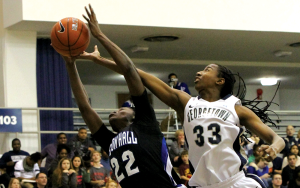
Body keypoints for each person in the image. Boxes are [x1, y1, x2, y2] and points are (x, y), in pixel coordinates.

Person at [78, 5, 285, 186]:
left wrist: (274, 148)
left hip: (236, 182)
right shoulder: (187, 103)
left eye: (207, 70)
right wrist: (100, 60)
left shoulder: (235, 107)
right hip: (202, 185)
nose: (199, 72)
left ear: (220, 81)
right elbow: (137, 74)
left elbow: (277, 138)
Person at [61, 4, 185, 188]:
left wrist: (100, 35)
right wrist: (70, 64)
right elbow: (85, 108)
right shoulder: (109, 140)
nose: (115, 110)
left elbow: (128, 70)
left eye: (121, 108)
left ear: (134, 114)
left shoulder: (145, 124)